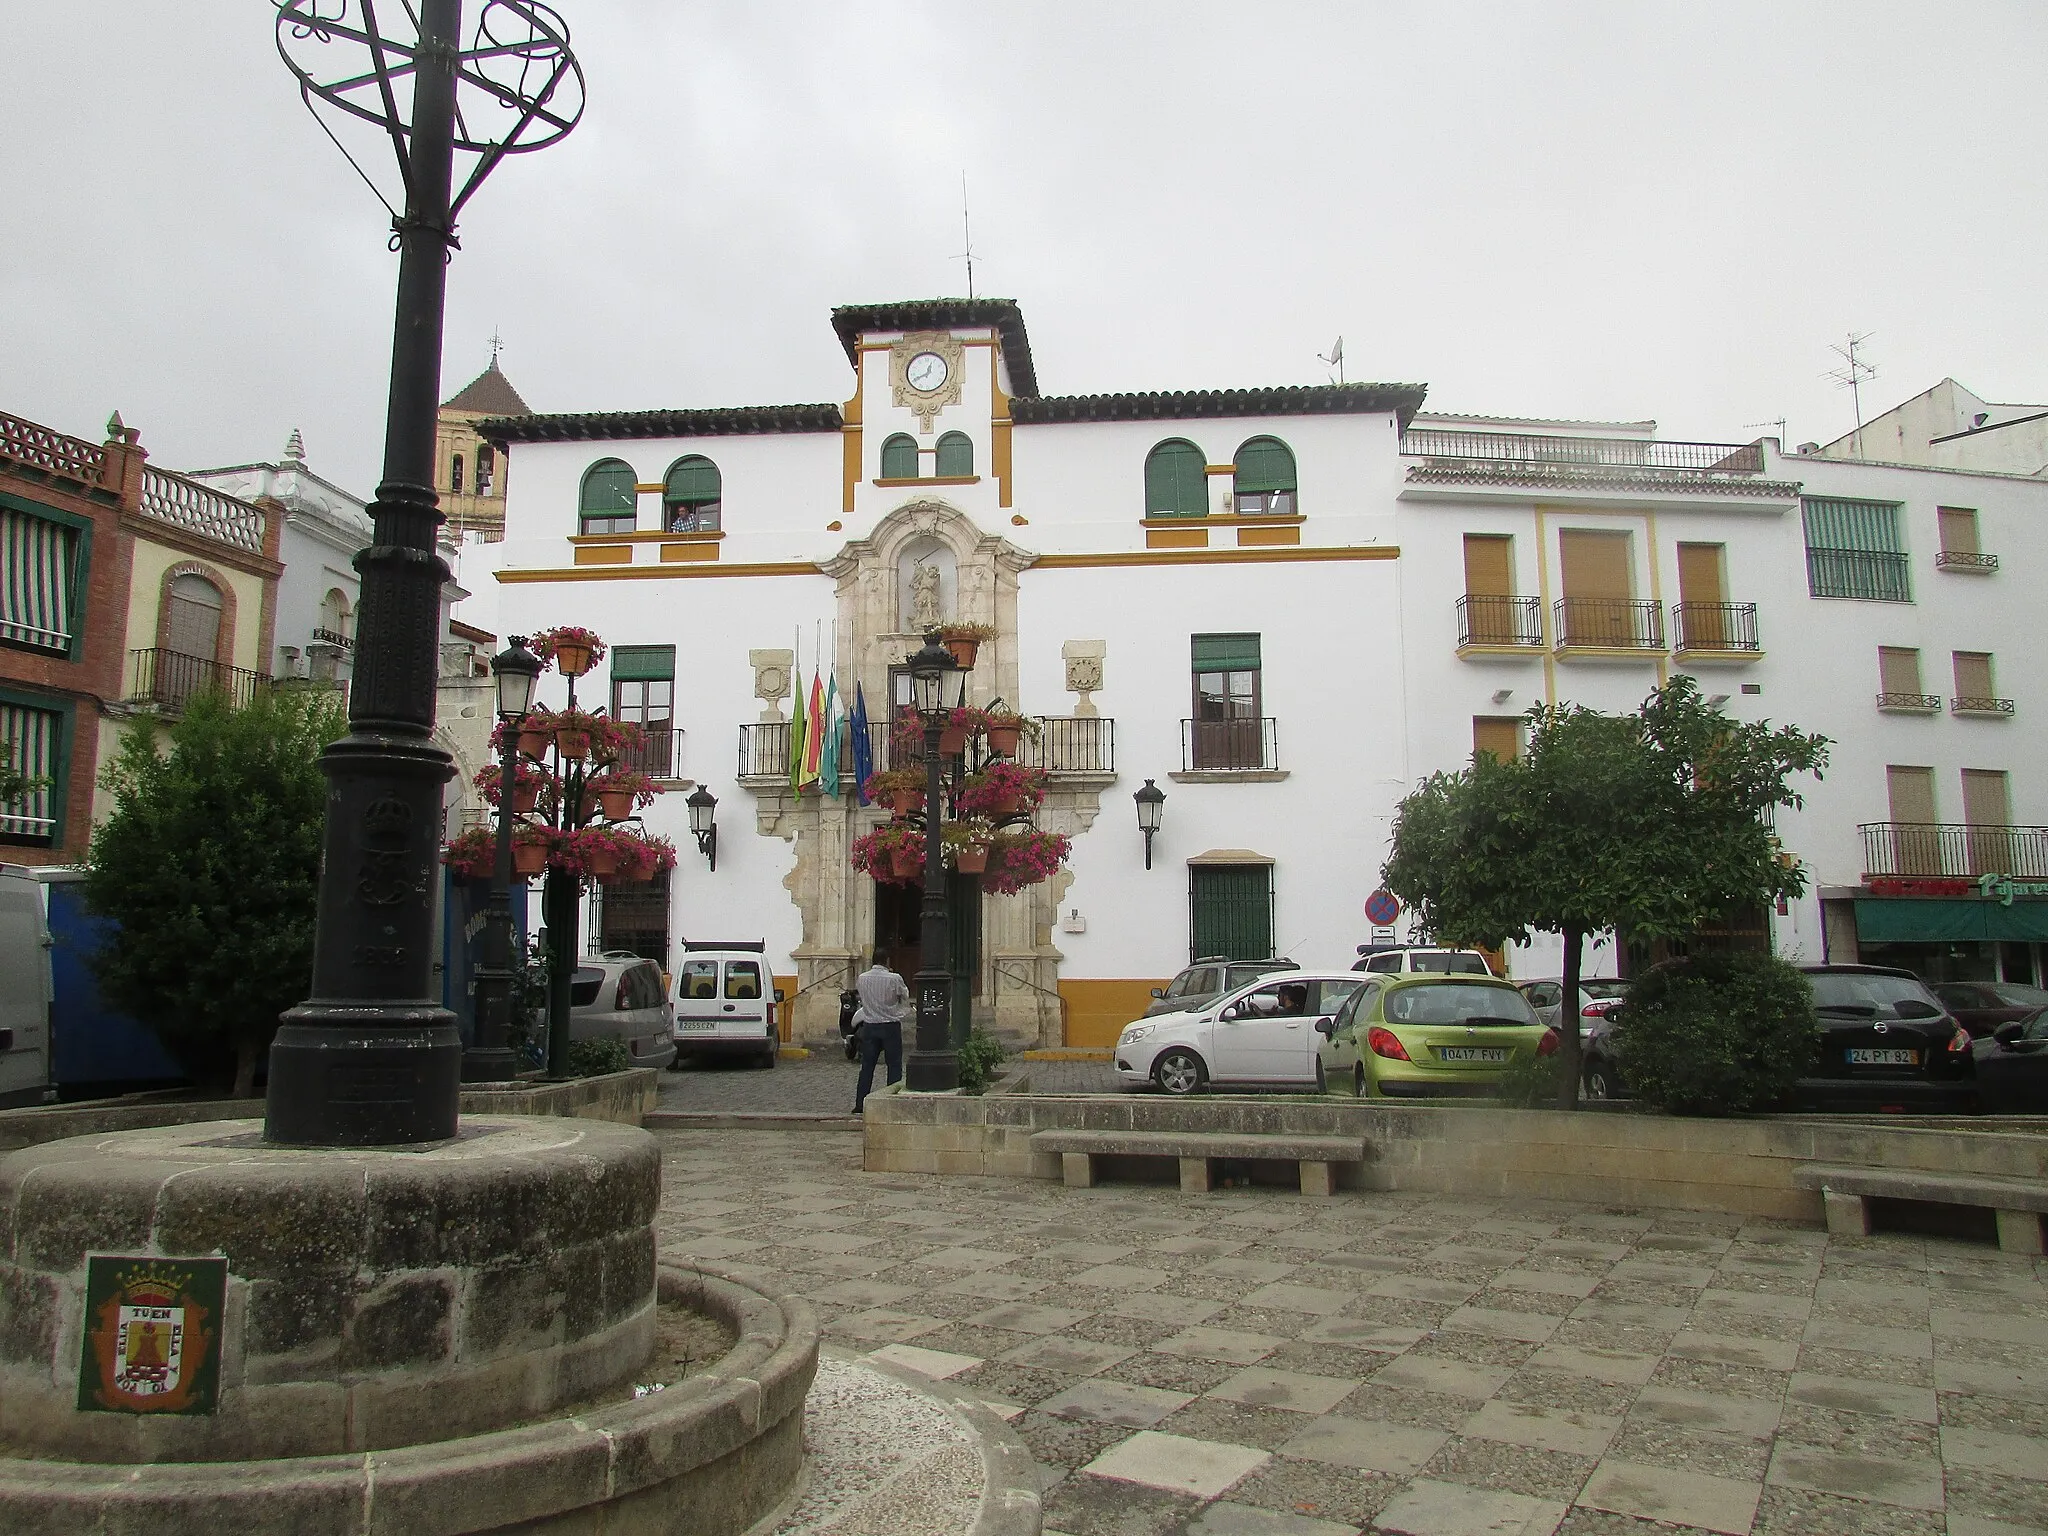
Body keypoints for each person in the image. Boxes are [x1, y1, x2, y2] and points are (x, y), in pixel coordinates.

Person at [852, 949, 910, 1112]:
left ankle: (860, 1103)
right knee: (894, 1065)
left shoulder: (862, 978)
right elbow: (905, 995)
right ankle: (892, 1102)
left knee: (867, 1066)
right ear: (887, 961)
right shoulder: (894, 978)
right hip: (890, 1025)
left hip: (870, 1025)